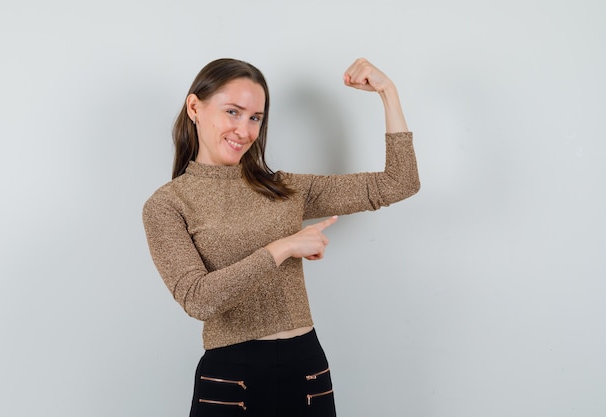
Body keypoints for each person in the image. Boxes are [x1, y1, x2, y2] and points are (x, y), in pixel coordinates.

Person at [142, 57, 420, 417]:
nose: (244, 130)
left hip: (305, 369)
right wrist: (284, 246)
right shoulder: (167, 205)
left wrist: (388, 93)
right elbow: (200, 301)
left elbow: (400, 183)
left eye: (255, 118)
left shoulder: (284, 189)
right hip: (230, 379)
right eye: (232, 112)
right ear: (195, 107)